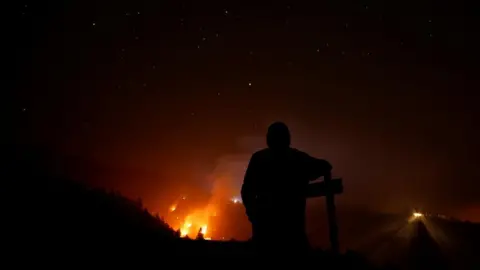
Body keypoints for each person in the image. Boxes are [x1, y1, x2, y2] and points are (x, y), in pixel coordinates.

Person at [241, 122, 332, 254]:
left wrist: (253, 214)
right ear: (287, 138)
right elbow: (325, 166)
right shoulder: (297, 158)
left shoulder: (259, 159)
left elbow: (247, 190)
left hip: (265, 229)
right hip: (292, 228)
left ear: (269, 138)